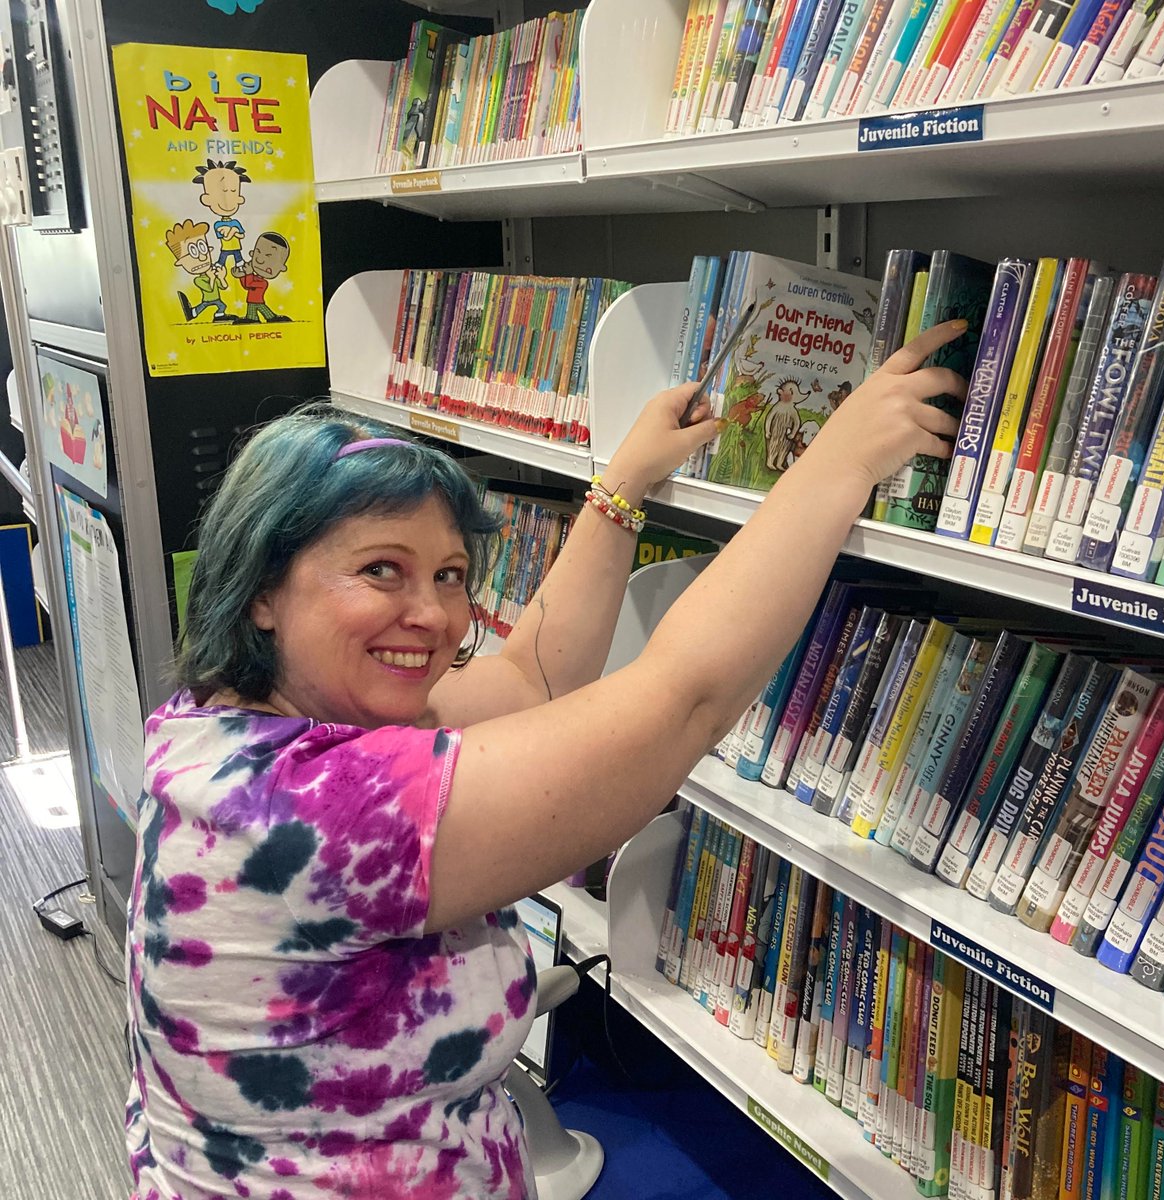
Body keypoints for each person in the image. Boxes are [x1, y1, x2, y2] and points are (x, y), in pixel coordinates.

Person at [125, 320, 966, 1199]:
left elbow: (531, 674)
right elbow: (680, 702)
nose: (433, 616)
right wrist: (837, 466)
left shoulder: (218, 731)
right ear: (262, 587)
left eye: (450, 575)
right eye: (383, 570)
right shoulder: (321, 810)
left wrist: (626, 484)